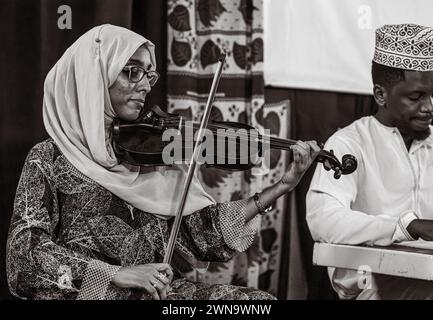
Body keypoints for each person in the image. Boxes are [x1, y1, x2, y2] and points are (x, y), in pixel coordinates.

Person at [7, 24, 320, 300]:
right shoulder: (47, 158)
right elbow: (24, 256)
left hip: (160, 294)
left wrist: (282, 185)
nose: (145, 85)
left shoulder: (146, 151)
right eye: (132, 71)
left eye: (148, 74)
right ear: (94, 75)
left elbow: (197, 234)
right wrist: (116, 274)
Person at [306, 23, 433, 300]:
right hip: (375, 290)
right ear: (380, 95)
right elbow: (323, 220)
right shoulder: (348, 144)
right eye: (416, 97)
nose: (429, 107)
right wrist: (406, 226)